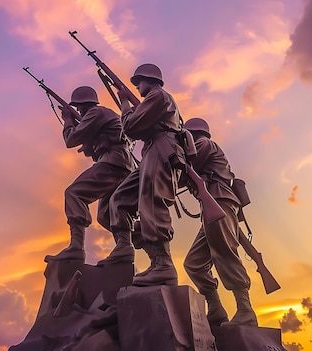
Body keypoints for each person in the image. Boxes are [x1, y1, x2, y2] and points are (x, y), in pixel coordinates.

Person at [110, 63, 185, 286]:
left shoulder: (158, 96)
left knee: (152, 202)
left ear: (149, 80)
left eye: (138, 82)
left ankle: (163, 265)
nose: (137, 87)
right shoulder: (155, 99)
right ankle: (128, 248)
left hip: (161, 151)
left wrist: (125, 103)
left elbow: (131, 127)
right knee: (120, 198)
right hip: (152, 151)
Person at [45, 86, 135, 264]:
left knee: (74, 193)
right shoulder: (101, 115)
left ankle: (76, 247)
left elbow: (71, 140)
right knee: (105, 215)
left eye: (79, 107)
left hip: (113, 163)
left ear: (83, 105)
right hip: (121, 164)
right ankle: (125, 246)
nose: (79, 111)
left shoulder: (95, 113)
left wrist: (68, 120)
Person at [182, 117, 257, 327]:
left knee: (224, 252)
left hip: (219, 201)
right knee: (194, 263)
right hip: (212, 205)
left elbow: (188, 162)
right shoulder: (203, 146)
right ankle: (215, 308)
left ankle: (245, 310)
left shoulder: (204, 144)